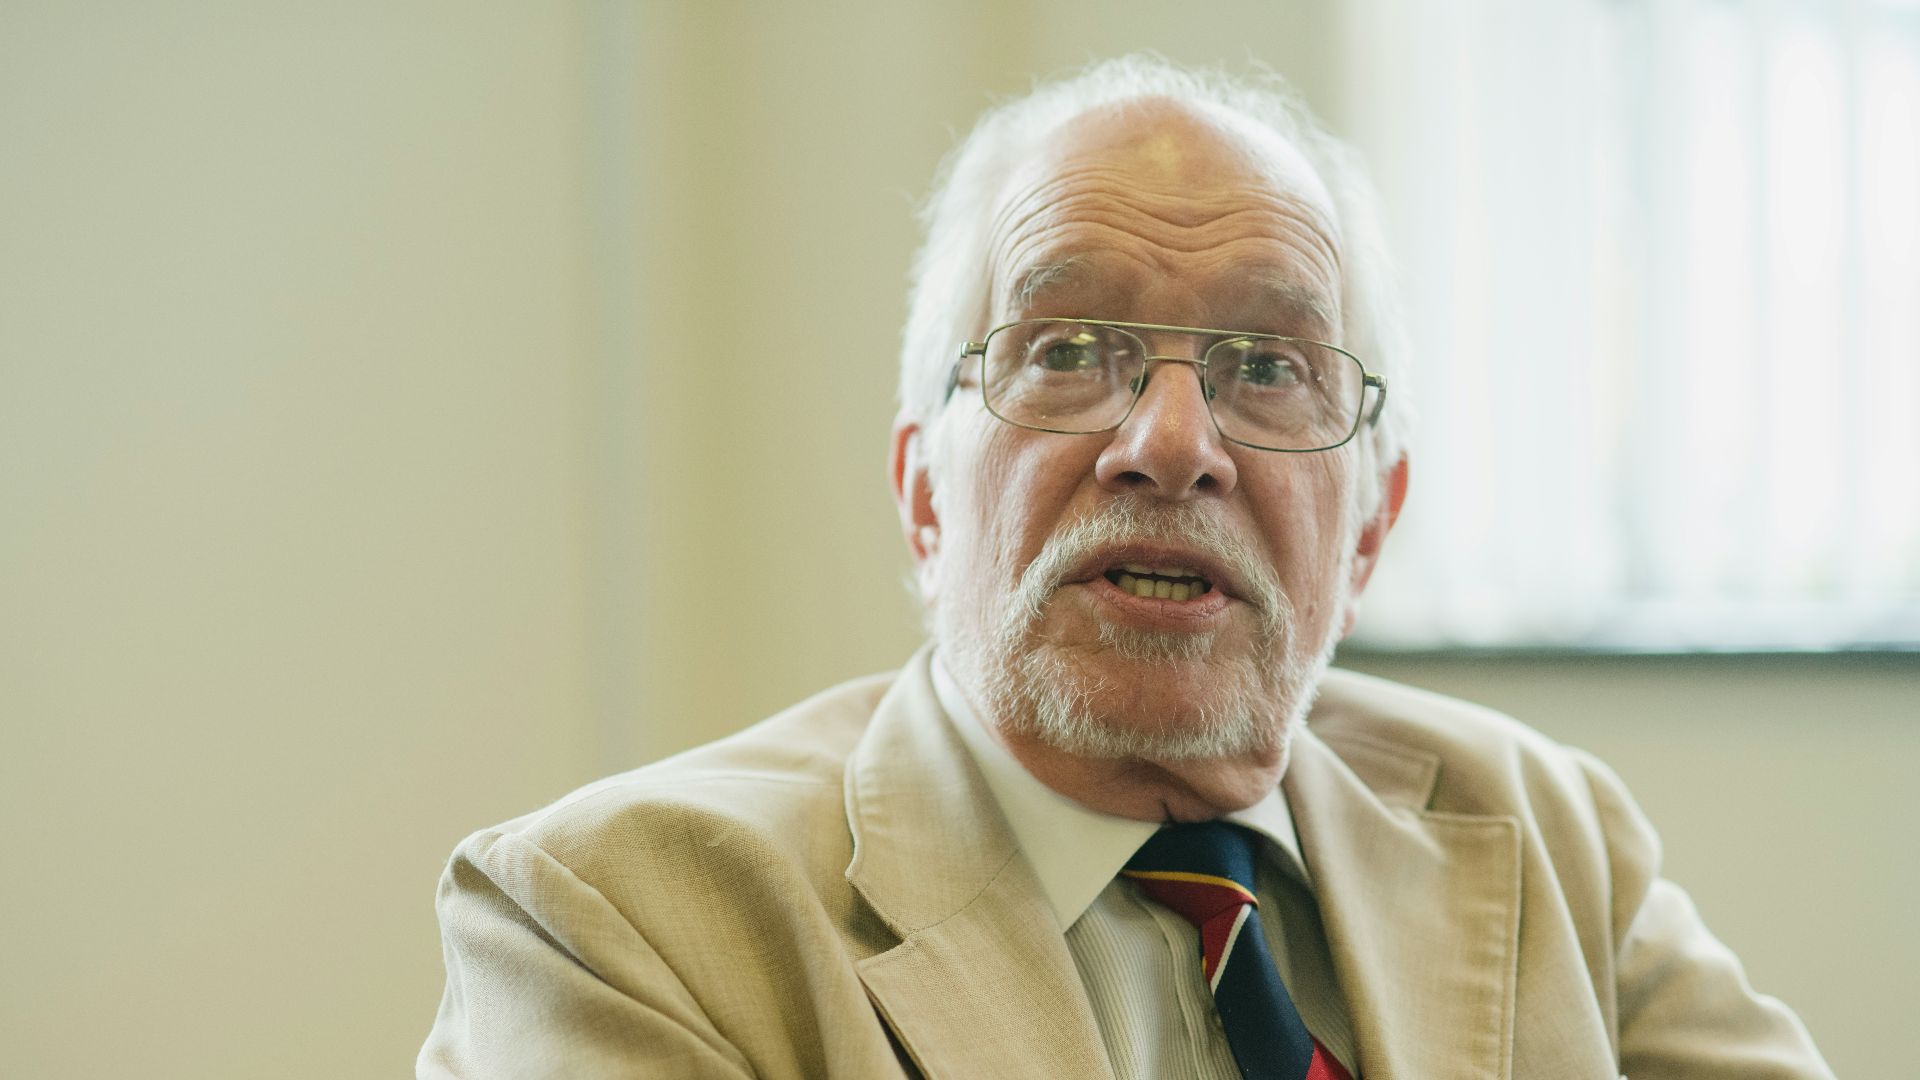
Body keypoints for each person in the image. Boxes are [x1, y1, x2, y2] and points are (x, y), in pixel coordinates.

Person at [418, 57, 1833, 1079]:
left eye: (1270, 366)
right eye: (1070, 351)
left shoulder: (1546, 837)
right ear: (924, 496)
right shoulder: (618, 922)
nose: (1171, 441)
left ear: (1370, 532)